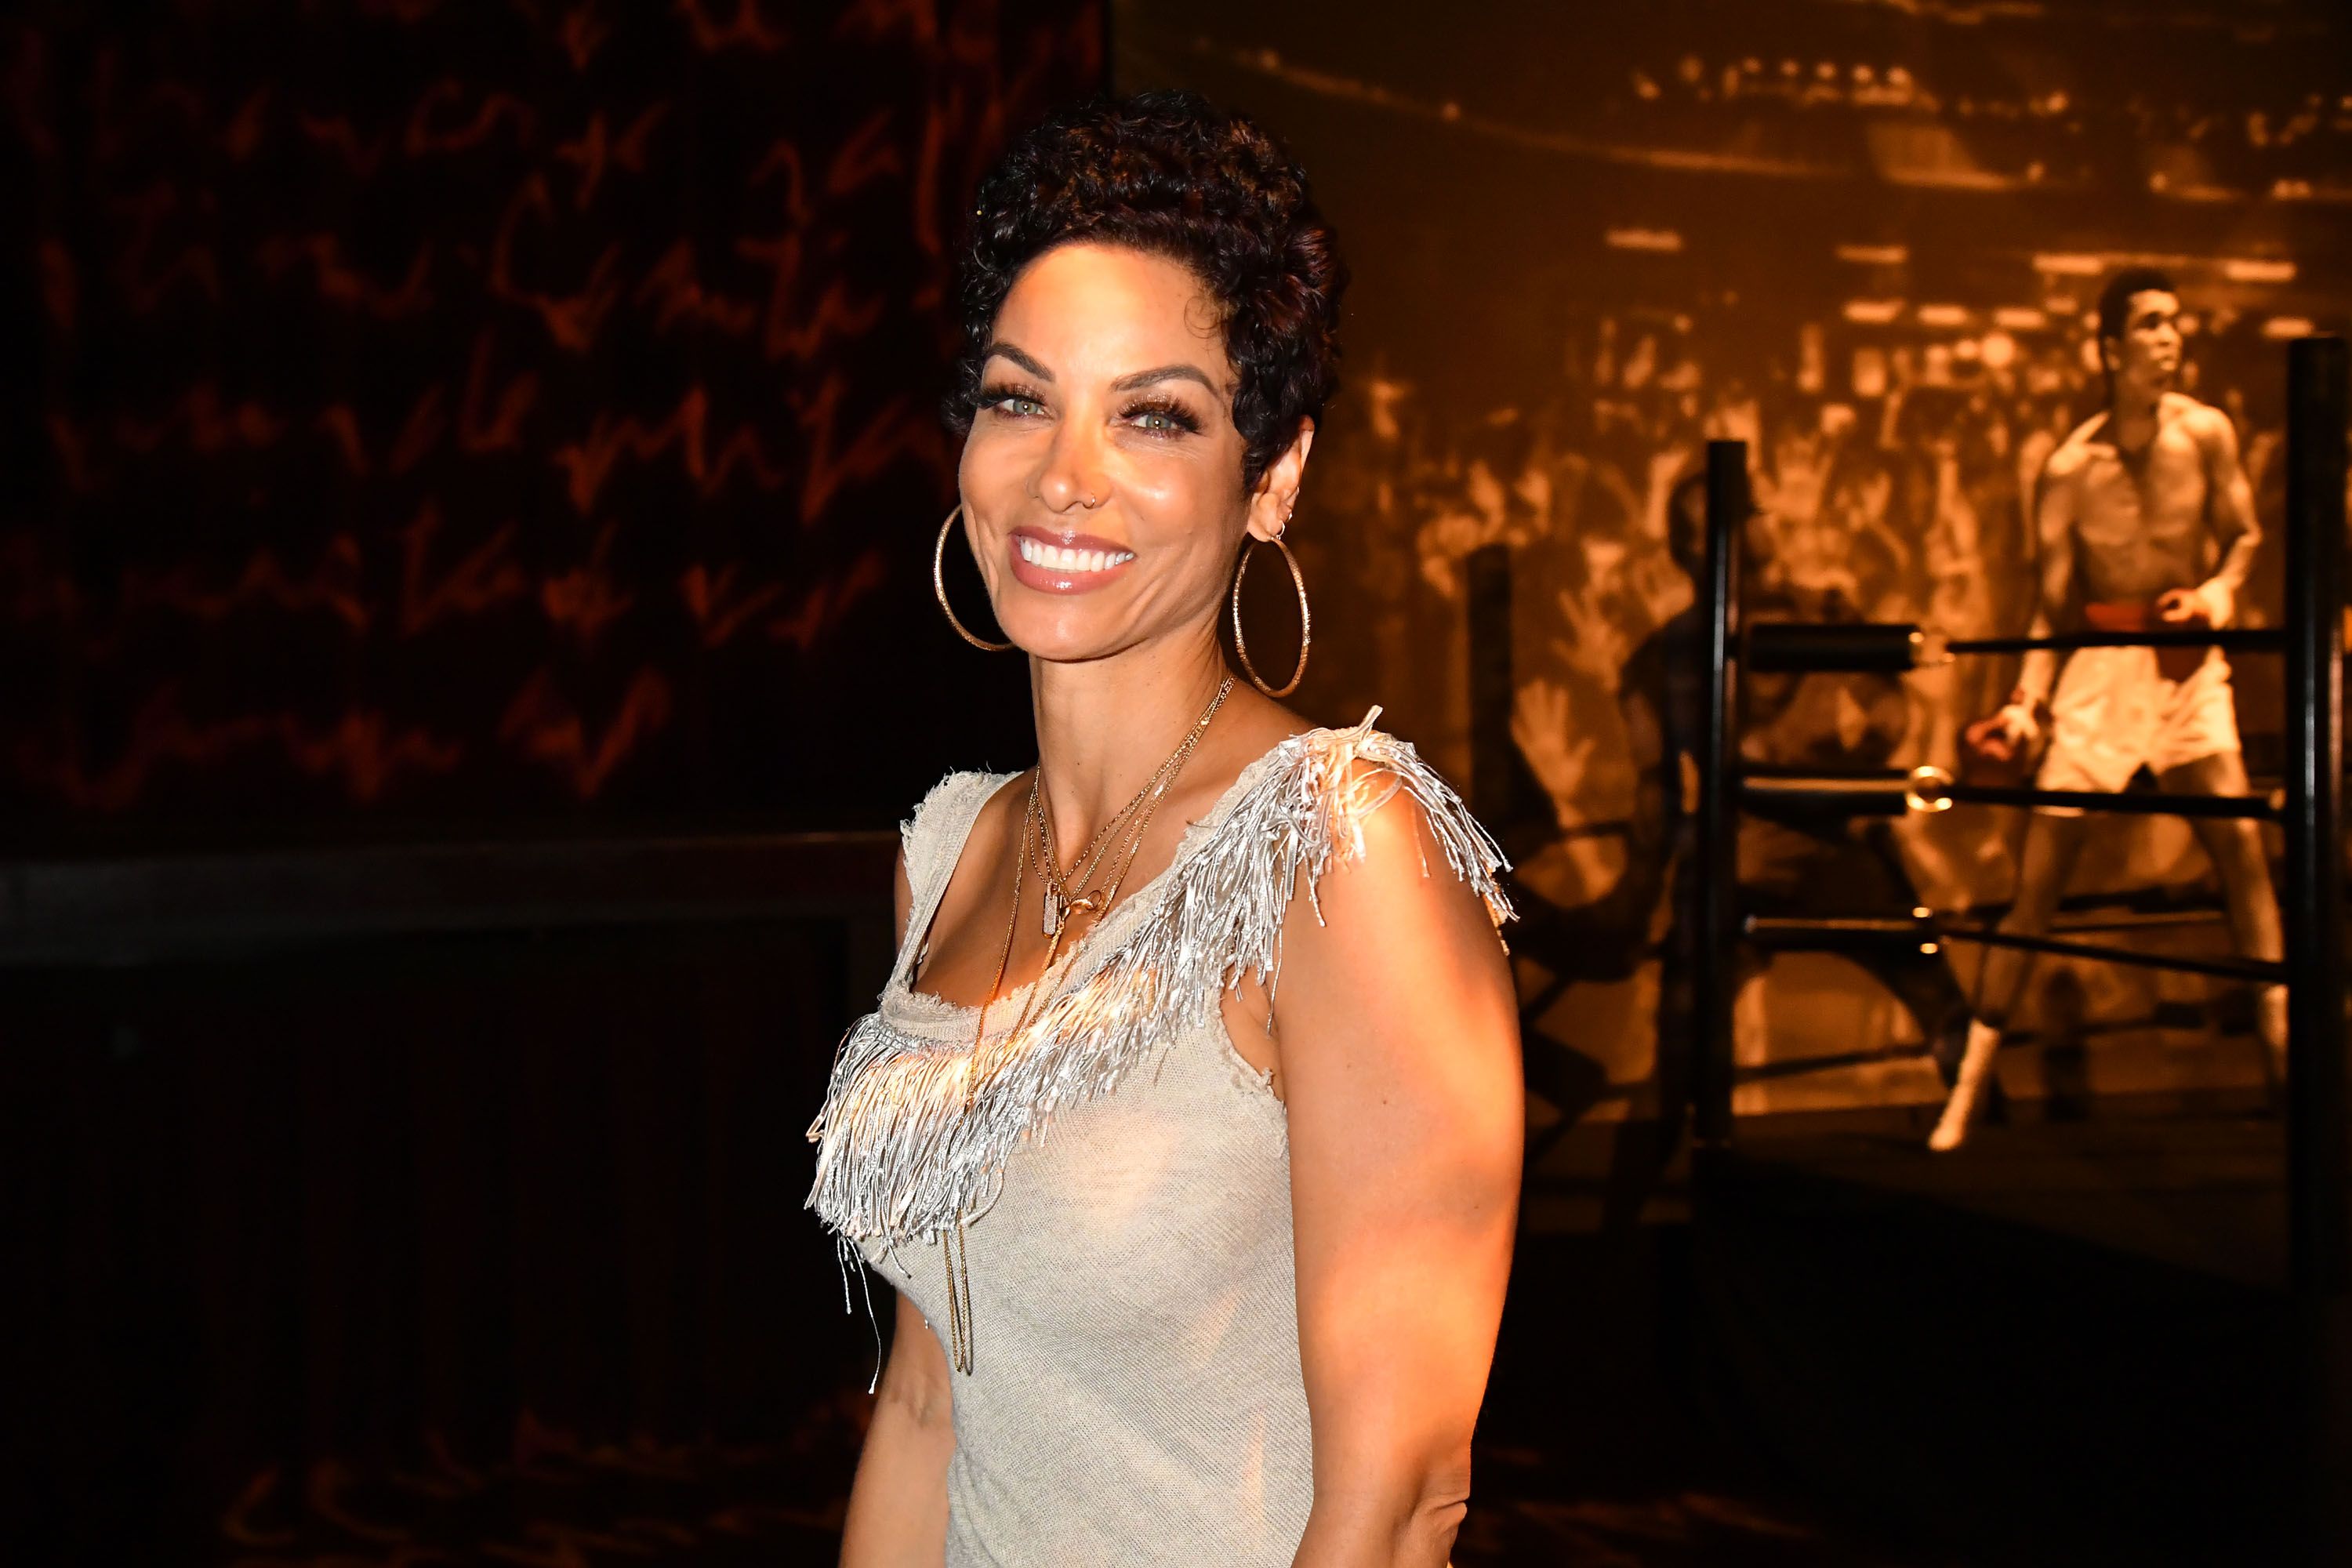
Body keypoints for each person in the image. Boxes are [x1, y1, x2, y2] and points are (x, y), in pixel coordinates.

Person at [806, 93, 1523, 1566]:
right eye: (1019, 398)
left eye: (1154, 416)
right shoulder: (947, 849)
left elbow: (1397, 1499)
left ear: (1274, 477)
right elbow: (934, 1399)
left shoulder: (1338, 848)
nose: (1064, 474)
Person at [1929, 267, 2282, 1152]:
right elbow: (2051, 607)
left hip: (2186, 666)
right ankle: (1966, 1094)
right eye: (2153, 323)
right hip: (2100, 672)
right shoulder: (2068, 469)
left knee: (2243, 851)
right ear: (2112, 347)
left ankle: (2290, 1068)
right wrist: (2024, 703)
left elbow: (2244, 535)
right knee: (2038, 883)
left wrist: (2215, 596)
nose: (2172, 337)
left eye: (2177, 323)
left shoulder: (2207, 434)